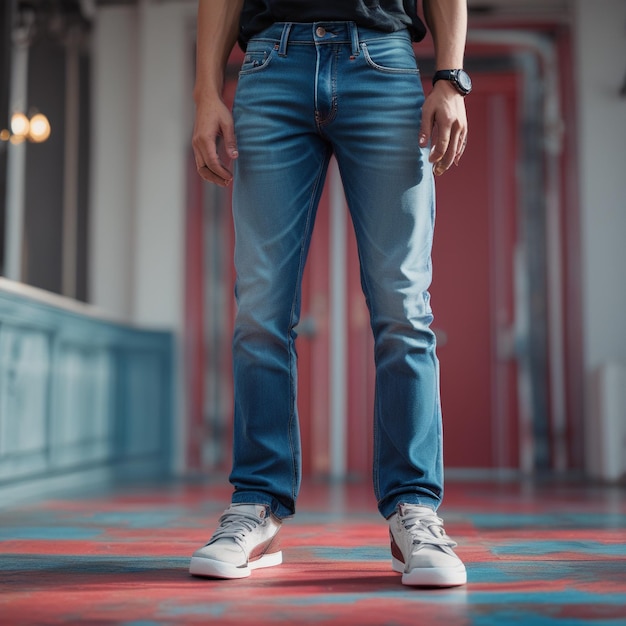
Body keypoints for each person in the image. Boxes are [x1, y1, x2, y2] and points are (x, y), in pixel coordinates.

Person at [189, 0, 470, 587]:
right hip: (271, 65)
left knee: (403, 306)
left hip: (384, 64)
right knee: (260, 308)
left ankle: (414, 510)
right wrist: (206, 93)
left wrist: (451, 77)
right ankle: (258, 507)